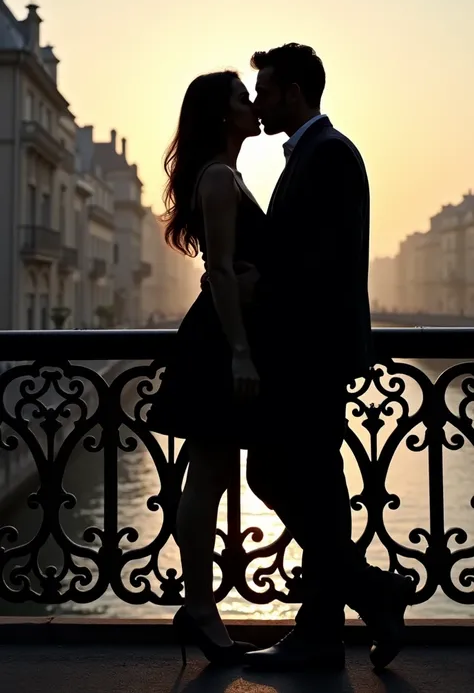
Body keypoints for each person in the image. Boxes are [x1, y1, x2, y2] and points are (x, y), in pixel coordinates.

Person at [241, 43, 416, 671]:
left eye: (264, 90)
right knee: (313, 486)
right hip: (311, 350)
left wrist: (259, 282)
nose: (257, 101)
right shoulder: (317, 153)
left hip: (310, 353)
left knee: (279, 473)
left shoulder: (328, 154)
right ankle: (329, 626)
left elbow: (324, 263)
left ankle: (354, 606)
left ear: (292, 91)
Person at [146, 70, 265, 665]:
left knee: (212, 473)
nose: (253, 105)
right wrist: (242, 350)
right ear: (223, 115)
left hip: (220, 338)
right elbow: (221, 270)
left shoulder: (225, 174)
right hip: (220, 343)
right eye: (244, 98)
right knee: (209, 476)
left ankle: (198, 607)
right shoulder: (219, 177)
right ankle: (198, 606)